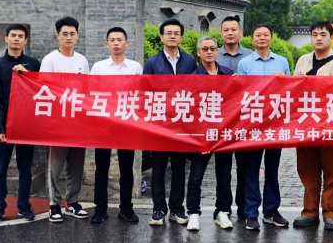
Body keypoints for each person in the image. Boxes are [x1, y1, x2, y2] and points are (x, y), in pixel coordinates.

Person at [292, 21, 333, 231]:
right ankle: (309, 211)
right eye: (314, 34)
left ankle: (330, 213)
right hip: (305, 125)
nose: (318, 38)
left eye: (323, 34)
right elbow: (294, 91)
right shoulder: (303, 60)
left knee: (331, 171)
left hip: (329, 127)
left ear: (331, 37)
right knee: (308, 170)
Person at [144, 18, 198, 226]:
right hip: (160, 124)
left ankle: (177, 208)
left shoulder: (190, 62)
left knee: (178, 168)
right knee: (158, 168)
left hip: (182, 124)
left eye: (176, 33)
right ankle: (158, 209)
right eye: (168, 33)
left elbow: (196, 90)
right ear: (161, 37)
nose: (172, 36)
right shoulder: (152, 63)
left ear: (181, 37)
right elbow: (145, 93)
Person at [236, 24, 290, 231]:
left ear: (271, 38)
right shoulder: (244, 64)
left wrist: (284, 80)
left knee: (272, 170)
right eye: (258, 35)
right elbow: (240, 94)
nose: (262, 38)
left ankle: (271, 211)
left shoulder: (282, 62)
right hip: (253, 125)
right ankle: (251, 213)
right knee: (251, 170)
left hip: (275, 124)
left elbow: (291, 91)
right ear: (252, 39)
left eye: (266, 35)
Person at [0, 24, 41, 224]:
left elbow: (42, 91)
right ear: (6, 38)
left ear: (26, 40)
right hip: (5, 126)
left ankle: (24, 205)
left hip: (27, 125)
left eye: (20, 36)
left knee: (25, 168)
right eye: (13, 36)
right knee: (0, 169)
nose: (16, 39)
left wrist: (28, 75)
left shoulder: (33, 64)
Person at [90, 26, 143, 225]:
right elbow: (92, 93)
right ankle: (100, 209)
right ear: (107, 44)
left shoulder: (135, 67)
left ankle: (126, 208)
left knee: (126, 169)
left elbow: (140, 94)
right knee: (101, 169)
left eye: (119, 40)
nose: (116, 43)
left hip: (126, 123)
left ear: (126, 43)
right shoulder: (99, 67)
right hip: (103, 124)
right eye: (112, 40)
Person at [41, 16, 91, 223]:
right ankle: (54, 205)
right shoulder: (50, 60)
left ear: (77, 36)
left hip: (78, 121)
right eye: (65, 34)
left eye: (72, 34)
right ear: (58, 36)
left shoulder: (82, 61)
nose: (69, 37)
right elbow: (44, 90)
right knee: (55, 166)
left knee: (76, 165)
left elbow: (87, 90)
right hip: (57, 122)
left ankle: (72, 202)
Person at [188, 36, 235, 231]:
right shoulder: (193, 77)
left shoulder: (228, 74)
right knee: (196, 177)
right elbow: (190, 110)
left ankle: (222, 211)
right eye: (205, 49)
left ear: (217, 51)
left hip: (224, 134)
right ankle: (193, 213)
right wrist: (198, 137)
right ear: (198, 52)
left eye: (212, 48)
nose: (209, 52)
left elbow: (235, 103)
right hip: (202, 136)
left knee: (224, 176)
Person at [215, 15, 249, 220]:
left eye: (233, 29)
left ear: (240, 32)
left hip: (246, 121)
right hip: (222, 122)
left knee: (245, 168)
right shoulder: (213, 54)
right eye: (226, 30)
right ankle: (223, 208)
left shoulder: (251, 56)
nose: (230, 33)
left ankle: (244, 207)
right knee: (223, 170)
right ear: (221, 33)